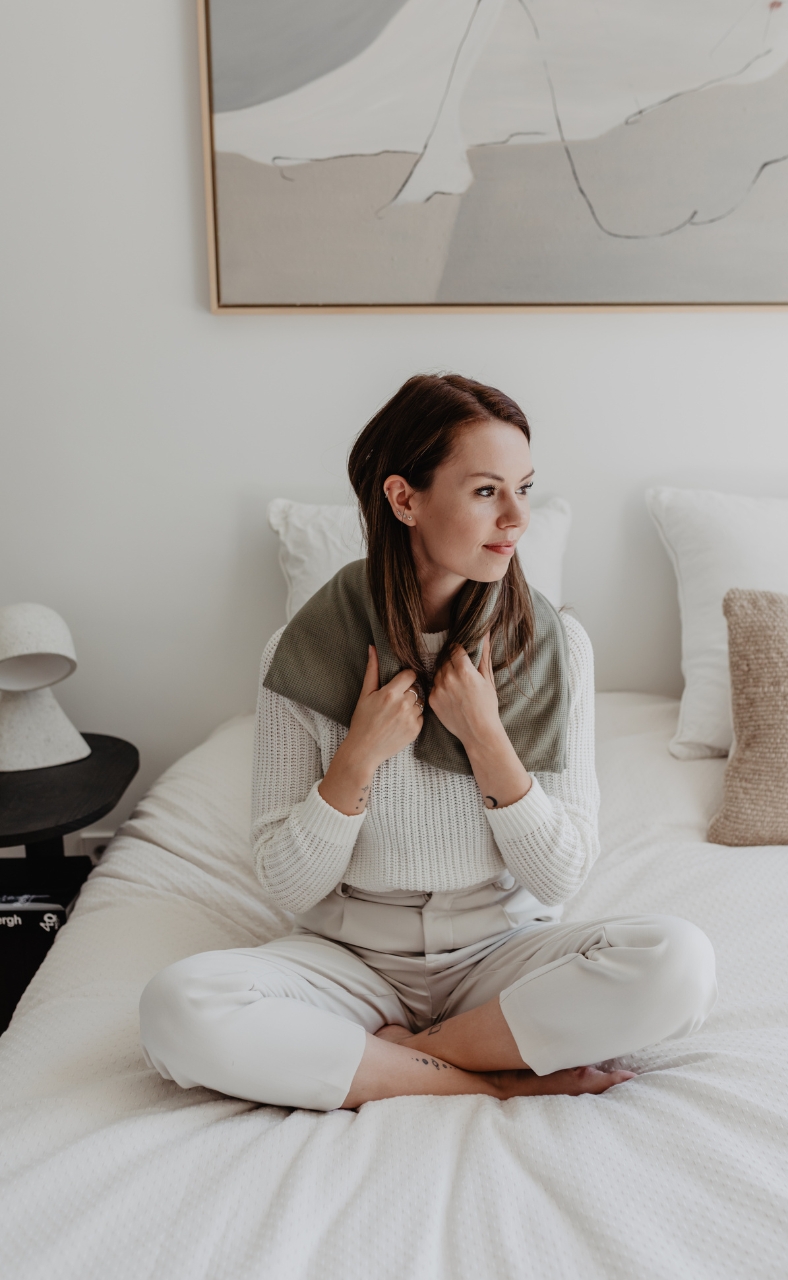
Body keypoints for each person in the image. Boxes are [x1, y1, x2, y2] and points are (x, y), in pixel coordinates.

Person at [140, 374, 716, 1111]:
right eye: (486, 491)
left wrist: (486, 738)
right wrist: (358, 757)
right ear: (404, 499)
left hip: (501, 955)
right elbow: (287, 884)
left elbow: (560, 876)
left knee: (678, 962)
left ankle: (400, 1060)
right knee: (177, 1006)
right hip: (349, 960)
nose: (517, 518)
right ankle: (489, 1075)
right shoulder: (301, 651)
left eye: (525, 489)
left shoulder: (556, 646)